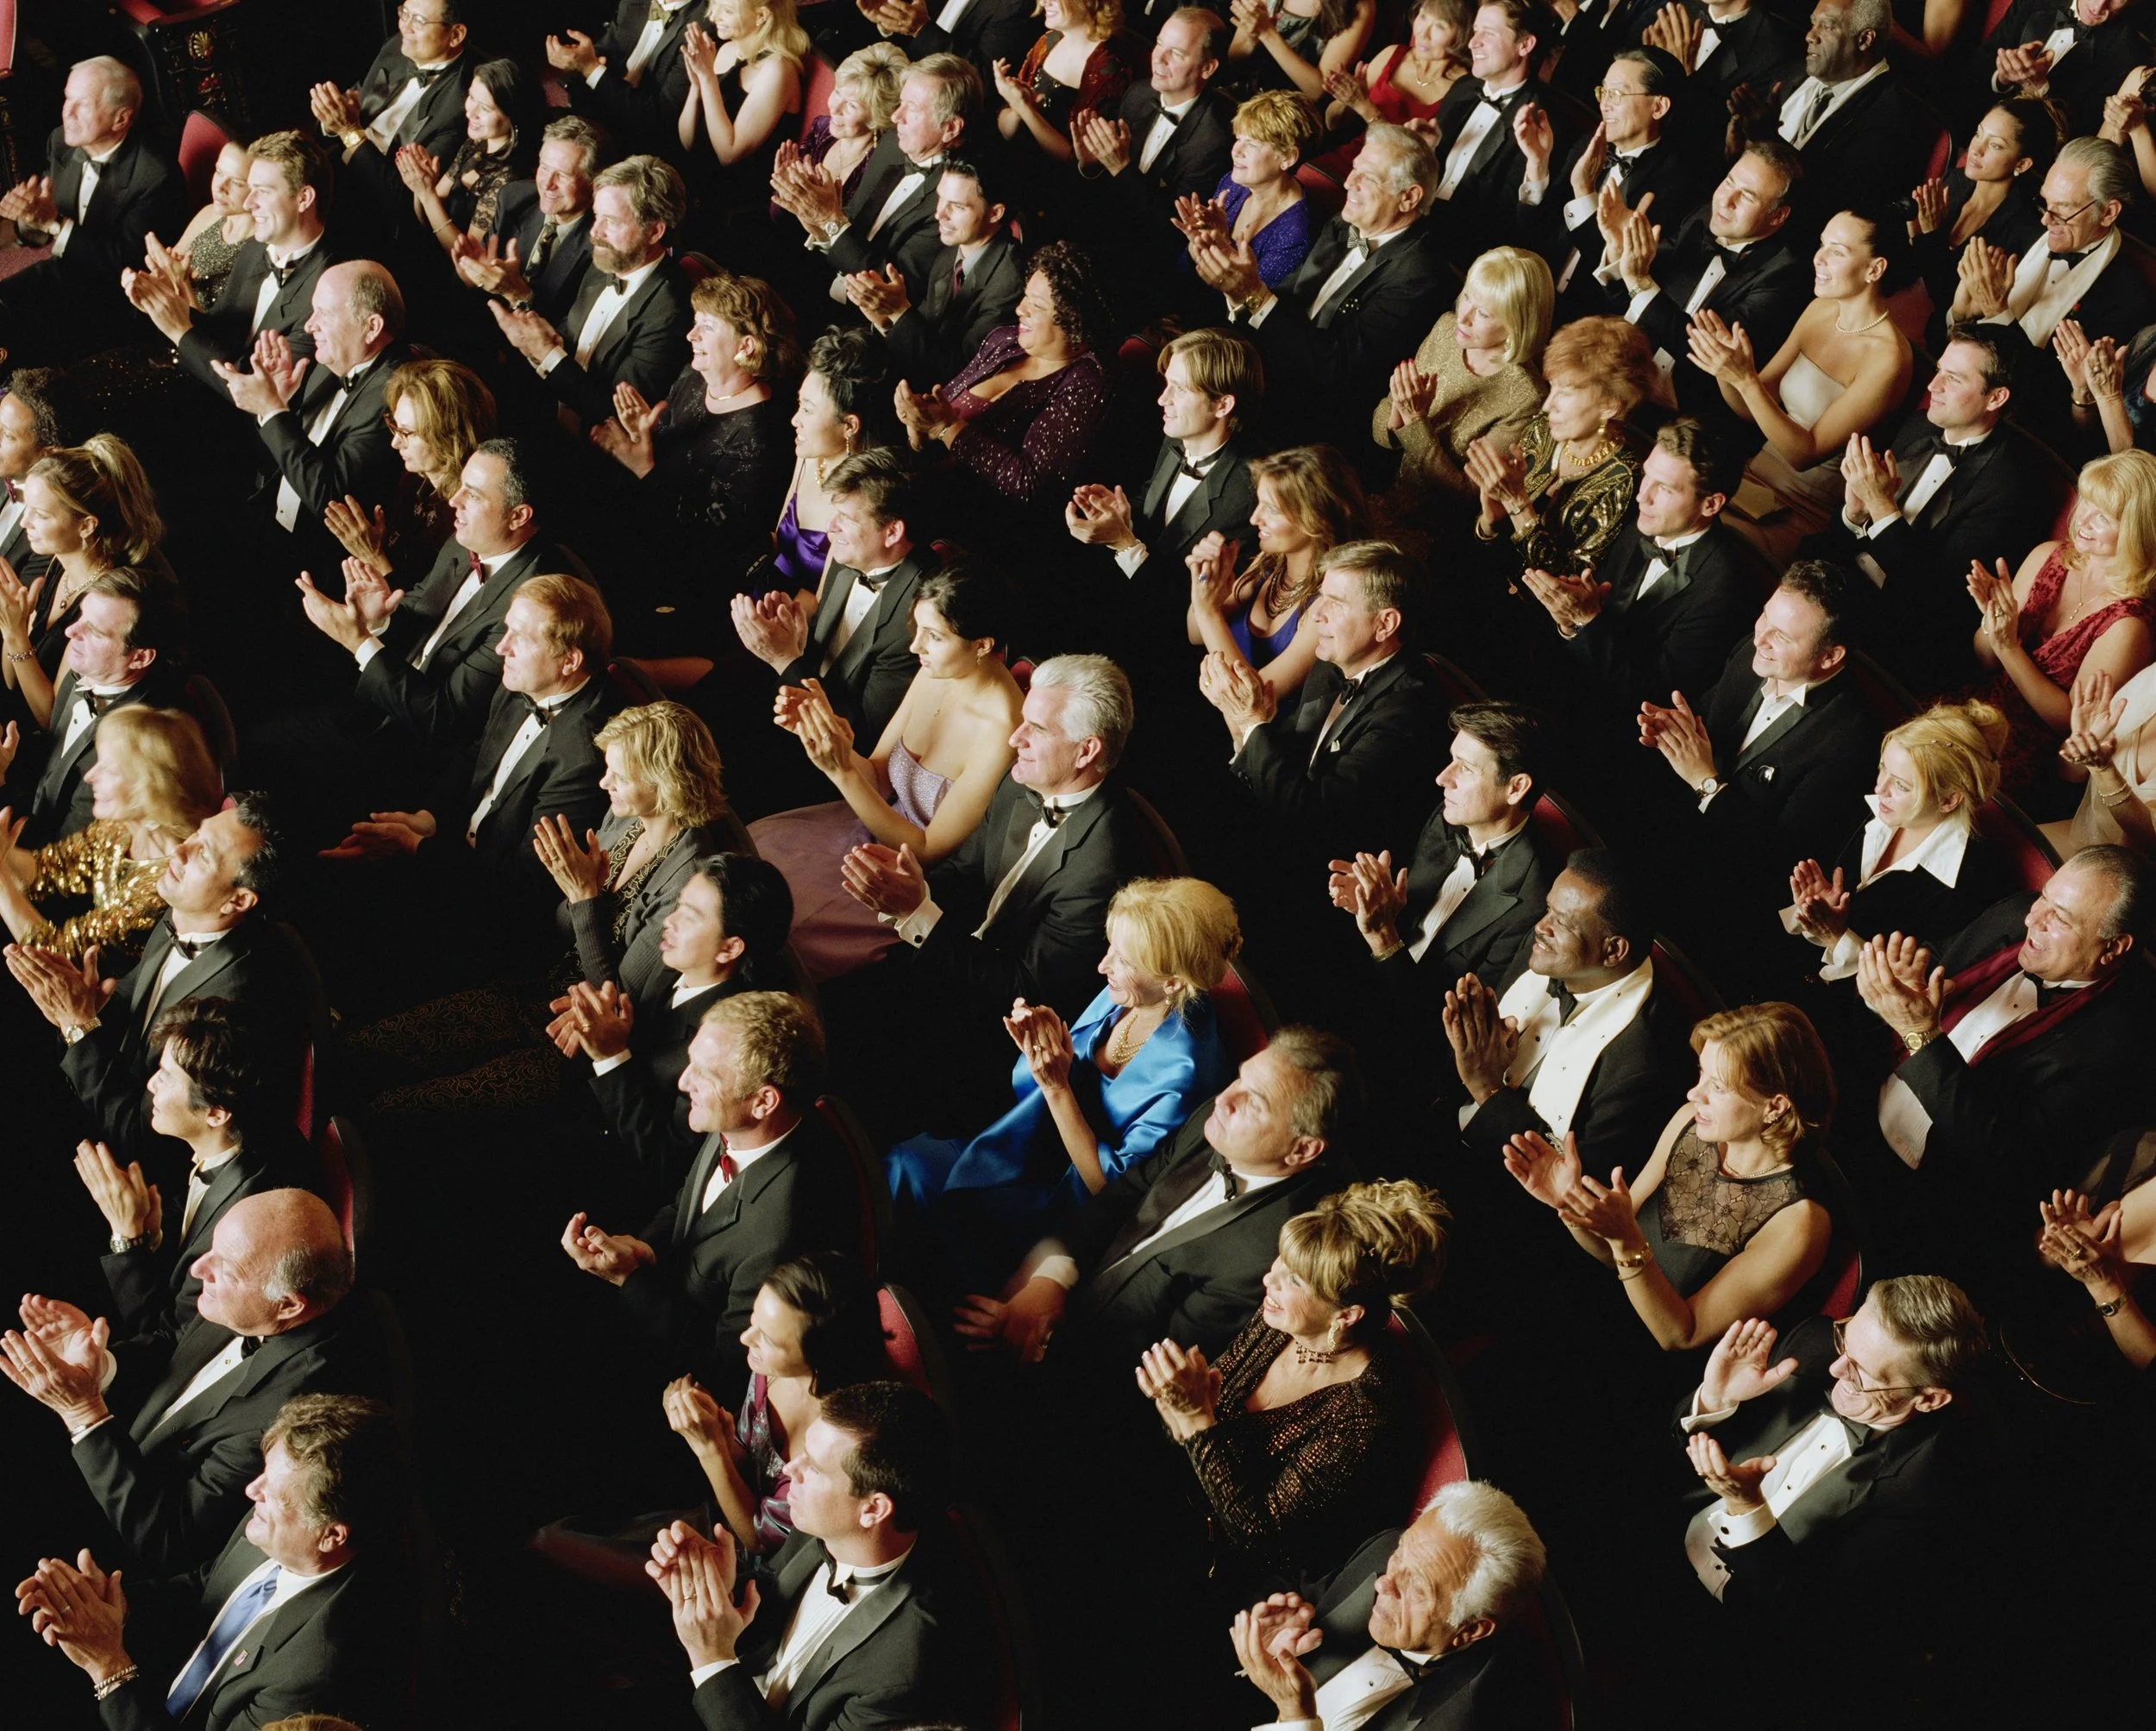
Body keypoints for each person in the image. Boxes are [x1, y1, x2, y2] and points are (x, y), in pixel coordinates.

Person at [348, 699, 731, 1119]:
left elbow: (611, 1008)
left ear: (664, 783)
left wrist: (585, 899)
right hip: (529, 992)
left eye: (619, 776)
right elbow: (563, 926)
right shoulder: (627, 819)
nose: (604, 784)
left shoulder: (690, 881)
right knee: (365, 1051)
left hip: (569, 1046)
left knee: (397, 1109)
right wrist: (580, 898)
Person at [887, 876, 1242, 1280]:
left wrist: (1056, 1086)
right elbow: (1046, 1084)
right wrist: (1043, 1041)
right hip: (1031, 1147)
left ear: (1174, 981)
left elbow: (1106, 1190)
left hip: (1062, 1211)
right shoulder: (1135, 994)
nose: (1103, 965)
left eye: (1123, 960)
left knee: (921, 1190)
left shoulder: (1186, 1074)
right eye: (1111, 948)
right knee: (906, 1162)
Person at [0, 1188, 366, 1573]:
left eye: (225, 1268)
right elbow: (171, 1345)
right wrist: (99, 1365)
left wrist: (83, 1412)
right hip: (111, 1446)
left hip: (110, 1540)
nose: (198, 1269)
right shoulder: (254, 1297)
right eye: (212, 1248)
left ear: (289, 1304)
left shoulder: (289, 1415)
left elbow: (168, 1537)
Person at [964, 1027, 1362, 1369]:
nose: (1226, 1098)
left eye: (1253, 1103)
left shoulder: (1271, 1255)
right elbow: (1122, 1197)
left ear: (1302, 1150)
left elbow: (1149, 1360)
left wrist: (1037, 1339)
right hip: (1064, 1287)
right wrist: (1050, 1278)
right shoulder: (1216, 1123)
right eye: (1241, 1079)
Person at [16, 1393, 411, 1731]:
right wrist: (115, 1606)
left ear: (331, 1535)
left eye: (272, 1493)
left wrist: (109, 1668)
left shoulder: (317, 1672)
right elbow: (207, 1587)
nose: (252, 1490)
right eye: (263, 1475)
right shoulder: (279, 1526)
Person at [1138, 1178, 1447, 1587]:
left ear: (1346, 1316)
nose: (1270, 1280)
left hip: (1222, 1573)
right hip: (1171, 1498)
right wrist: (1179, 1408)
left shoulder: (1365, 1415)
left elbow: (1259, 1538)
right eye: (1281, 1262)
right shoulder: (1284, 1324)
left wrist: (1195, 1418)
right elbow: (1190, 1435)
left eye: (1295, 1280)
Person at [1677, 1285, 1991, 1686]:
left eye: (1864, 1373)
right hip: (1668, 1529)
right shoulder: (1812, 1344)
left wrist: (1748, 1509)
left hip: (1736, 1640)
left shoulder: (1929, 1493)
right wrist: (1713, 1402)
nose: (1836, 1369)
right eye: (1846, 1339)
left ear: (1928, 1400)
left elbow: (1811, 1625)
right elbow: (1669, 1451)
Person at [321, 574, 624, 979]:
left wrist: (415, 849)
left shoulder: (585, 757)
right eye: (506, 630)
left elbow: (517, 887)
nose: (502, 647)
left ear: (569, 660)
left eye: (521, 637)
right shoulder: (529, 679)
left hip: (487, 916)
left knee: (352, 923)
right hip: (455, 851)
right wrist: (428, 818)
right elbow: (474, 757)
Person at [1858, 848, 2156, 1259]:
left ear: (2114, 946)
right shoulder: (2015, 914)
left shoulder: (2124, 1046)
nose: (2034, 919)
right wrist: (1901, 983)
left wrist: (1920, 1035)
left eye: (2061, 919)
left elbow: (2006, 1160)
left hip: (1926, 1196)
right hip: (1863, 1097)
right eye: (2044, 898)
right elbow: (1937, 958)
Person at [645, 1381, 988, 1728]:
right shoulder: (825, 1524)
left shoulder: (904, 1669)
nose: (789, 1470)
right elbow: (770, 1608)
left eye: (816, 1469)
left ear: (873, 1509)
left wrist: (712, 1657)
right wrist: (719, 1590)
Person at [561, 990, 859, 1390]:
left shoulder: (779, 1235)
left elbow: (721, 1363)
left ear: (763, 1101)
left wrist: (630, 1281)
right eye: (692, 1062)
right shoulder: (741, 1123)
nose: (684, 1082)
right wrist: (646, 1248)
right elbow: (687, 1203)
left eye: (706, 1074)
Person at [843, 653, 1156, 1027]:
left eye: (1036, 729)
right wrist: (909, 888)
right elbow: (967, 871)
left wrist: (916, 912)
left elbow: (1025, 988)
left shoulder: (1103, 867)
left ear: (1086, 751)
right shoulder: (1023, 778)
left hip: (999, 1020)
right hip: (952, 958)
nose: (1014, 738)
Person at [1505, 1002, 1837, 1351]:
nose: (1695, 1094)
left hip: (1647, 1363)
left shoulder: (1800, 1223)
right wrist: (1570, 1202)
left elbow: (1680, 1334)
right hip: (1597, 1314)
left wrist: (1626, 1241)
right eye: (1701, 1073)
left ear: (1775, 1106)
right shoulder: (1689, 1122)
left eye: (1719, 1087)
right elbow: (1611, 1253)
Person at [6, 795, 314, 1166]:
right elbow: (131, 1000)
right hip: (102, 1085)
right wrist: (86, 1005)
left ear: (238, 901)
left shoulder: (231, 1005)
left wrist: (78, 1025)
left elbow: (141, 1140)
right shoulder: (185, 912)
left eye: (204, 855)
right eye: (197, 834)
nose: (180, 850)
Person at [752, 564, 1024, 979]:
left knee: (778, 926)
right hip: (861, 826)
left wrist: (842, 772)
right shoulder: (934, 670)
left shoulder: (1003, 729)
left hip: (902, 876)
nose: (916, 645)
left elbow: (926, 850)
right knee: (753, 851)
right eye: (916, 628)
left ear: (982, 645)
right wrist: (829, 737)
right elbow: (879, 776)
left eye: (934, 636)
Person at [1638, 561, 1882, 935]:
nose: (1760, 638)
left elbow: (1779, 860)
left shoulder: (1851, 741)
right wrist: (1673, 730)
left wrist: (1706, 783)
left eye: (1781, 636)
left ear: (1830, 657)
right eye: (1764, 617)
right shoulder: (1752, 655)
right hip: (1673, 831)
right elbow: (1706, 720)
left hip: (1726, 896)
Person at [1807, 324, 2041, 696]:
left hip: (1902, 632)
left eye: (1954, 378)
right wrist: (1853, 514)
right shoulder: (1918, 426)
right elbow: (1845, 540)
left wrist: (1882, 507)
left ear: (1995, 398)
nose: (1932, 387)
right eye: (1939, 371)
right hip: (1843, 583)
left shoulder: (2009, 487)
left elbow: (1931, 597)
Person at [1194, 123, 1451, 451]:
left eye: (1367, 178)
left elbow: (1339, 368)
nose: (1348, 183)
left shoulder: (1418, 275)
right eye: (1354, 169)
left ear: (1409, 197)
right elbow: (1288, 297)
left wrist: (1254, 295)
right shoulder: (1345, 221)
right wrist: (1235, 282)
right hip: (1273, 370)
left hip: (1317, 418)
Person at [78, 996, 317, 1341]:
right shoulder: (242, 1143)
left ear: (216, 1114)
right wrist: (154, 1237)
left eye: (166, 1077)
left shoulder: (243, 1219)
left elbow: (169, 1335)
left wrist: (126, 1237)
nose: (150, 1085)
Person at [1228, 1482, 1551, 1730]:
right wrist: (1265, 1647)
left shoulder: (1477, 1715)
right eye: (1400, 1556)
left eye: (1417, 1588)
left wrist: (1295, 1718)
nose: (1383, 1583)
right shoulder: (1386, 1551)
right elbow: (1301, 1590)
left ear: (1471, 1630)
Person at [1213, 540, 1448, 878]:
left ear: (1385, 624)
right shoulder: (1332, 661)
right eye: (1320, 596)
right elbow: (1288, 752)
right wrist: (1244, 727)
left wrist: (1250, 722)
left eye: (1335, 604)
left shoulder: (1408, 711)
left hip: (1330, 875)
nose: (1316, 614)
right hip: (1280, 832)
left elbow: (1315, 818)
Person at [1448, 848, 1684, 1181]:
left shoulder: (1641, 1063)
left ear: (1613, 950)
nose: (1540, 928)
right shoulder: (1548, 950)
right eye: (1548, 910)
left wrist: (1488, 1088)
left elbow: (1573, 1185)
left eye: (1563, 923)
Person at [573, 851, 799, 1192]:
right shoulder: (676, 962)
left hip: (606, 1165)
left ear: (729, 949)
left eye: (690, 916)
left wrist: (611, 1058)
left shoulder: (725, 1044)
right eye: (678, 905)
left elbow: (663, 1162)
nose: (670, 921)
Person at [728, 448, 932, 817]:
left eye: (844, 518)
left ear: (893, 531)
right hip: (801, 718)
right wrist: (799, 641)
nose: (830, 529)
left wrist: (785, 659)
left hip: (840, 773)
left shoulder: (920, 615)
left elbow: (863, 736)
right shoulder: (849, 556)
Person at [1330, 700, 1561, 1022]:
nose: (1442, 778)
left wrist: (1383, 933)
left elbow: (1444, 1025)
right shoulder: (1448, 817)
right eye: (1452, 760)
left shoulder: (1535, 902)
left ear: (1516, 787)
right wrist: (1372, 900)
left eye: (1465, 768)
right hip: (1360, 986)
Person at [1690, 205, 1914, 531]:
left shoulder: (1888, 357)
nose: (1819, 259)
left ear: (1875, 269)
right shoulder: (1820, 309)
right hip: (1750, 479)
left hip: (1800, 507)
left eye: (1836, 252)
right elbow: (1751, 408)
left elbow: (1804, 455)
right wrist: (1726, 370)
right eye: (1822, 244)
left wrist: (1745, 379)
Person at [594, 269, 799, 622]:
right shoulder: (694, 377)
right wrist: (645, 435)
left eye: (707, 327)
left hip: (686, 585)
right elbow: (671, 461)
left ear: (745, 346)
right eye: (695, 323)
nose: (691, 335)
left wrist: (643, 467)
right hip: (642, 539)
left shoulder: (759, 437)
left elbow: (707, 541)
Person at [662, 1252, 891, 1558]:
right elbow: (746, 1451)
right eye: (753, 1321)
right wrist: (711, 1425)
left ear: (822, 1356)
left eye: (768, 1340)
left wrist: (710, 1450)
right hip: (717, 1508)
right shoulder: (770, 1371)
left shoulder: (839, 1441)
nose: (746, 1338)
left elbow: (760, 1541)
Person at [1532, 416, 1757, 722]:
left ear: (1711, 504)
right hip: (1575, 682)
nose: (1642, 495)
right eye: (1646, 476)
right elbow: (1600, 625)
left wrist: (1586, 619)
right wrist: (1569, 625)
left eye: (1664, 489)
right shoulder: (1643, 526)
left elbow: (1655, 694)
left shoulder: (1723, 590)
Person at [1965, 450, 2156, 808]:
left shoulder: (2129, 625)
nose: (2084, 519)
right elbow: (1985, 661)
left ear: (2136, 530)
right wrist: (1993, 625)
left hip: (2033, 753)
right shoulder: (2049, 555)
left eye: (2103, 516)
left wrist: (2010, 648)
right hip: (1981, 707)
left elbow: (2069, 723)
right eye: (2085, 502)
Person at [1783, 700, 2015, 982]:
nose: (1880, 788)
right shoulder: (1865, 807)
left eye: (1902, 785)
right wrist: (1811, 912)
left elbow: (1904, 995)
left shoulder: (1970, 885)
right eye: (1883, 769)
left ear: (1949, 800)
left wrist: (1836, 937)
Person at [1066, 326, 1264, 648]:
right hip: (1128, 602)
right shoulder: (1178, 434)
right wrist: (1122, 516)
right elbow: (1155, 503)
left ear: (1222, 405)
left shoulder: (1248, 493)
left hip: (1167, 642)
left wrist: (1123, 542)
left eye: (1180, 390)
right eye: (1166, 384)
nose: (1162, 399)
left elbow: (1182, 607)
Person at [1595, 139, 1810, 436]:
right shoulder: (1703, 217)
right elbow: (1630, 299)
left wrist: (1640, 281)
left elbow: (1704, 352)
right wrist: (1620, 251)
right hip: (1616, 378)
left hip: (1676, 420)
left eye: (1747, 197)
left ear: (1777, 215)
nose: (1726, 200)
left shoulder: (1784, 276)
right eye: (1728, 182)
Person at [1948, 136, 2152, 441]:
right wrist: (1961, 313)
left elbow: (2049, 399)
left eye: (2063, 210)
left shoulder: (2127, 300)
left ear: (2108, 213)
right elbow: (1946, 325)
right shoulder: (2026, 228)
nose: (2046, 219)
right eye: (2046, 202)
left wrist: (1997, 313)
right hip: (1957, 386)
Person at [894, 239, 1115, 516]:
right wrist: (918, 430)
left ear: (1075, 319)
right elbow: (938, 438)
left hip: (980, 522)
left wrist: (946, 427)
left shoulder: (1088, 383)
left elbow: (1030, 486)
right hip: (927, 488)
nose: (1020, 309)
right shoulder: (1005, 341)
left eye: (1036, 305)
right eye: (1025, 297)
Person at [235, 261, 412, 588]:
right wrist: (279, 405)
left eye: (324, 314)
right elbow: (284, 457)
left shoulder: (394, 390)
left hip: (324, 570)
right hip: (272, 534)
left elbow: (330, 496)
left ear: (371, 327)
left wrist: (274, 410)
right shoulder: (331, 361)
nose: (310, 325)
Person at [0, 57, 186, 366]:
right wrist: (30, 219)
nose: (67, 112)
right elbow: (43, 230)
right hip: (68, 270)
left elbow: (125, 265)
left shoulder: (156, 177)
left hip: (119, 303)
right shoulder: (61, 142)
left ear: (120, 119)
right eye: (67, 98)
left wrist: (54, 223)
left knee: (22, 341)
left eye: (82, 104)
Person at [0, 705, 220, 964]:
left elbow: (60, 957)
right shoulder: (119, 828)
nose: (90, 776)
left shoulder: (170, 883)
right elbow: (46, 870)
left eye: (109, 769)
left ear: (152, 785)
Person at [492, 155, 694, 436]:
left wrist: (545, 352)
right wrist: (529, 331)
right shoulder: (604, 262)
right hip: (546, 417)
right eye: (597, 216)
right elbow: (566, 340)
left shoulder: (671, 310)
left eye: (611, 221)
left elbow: (615, 414)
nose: (595, 233)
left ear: (655, 231)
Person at [126, 131, 336, 398]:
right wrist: (167, 298)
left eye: (262, 191)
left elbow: (254, 390)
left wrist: (180, 329)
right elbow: (220, 332)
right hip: (203, 386)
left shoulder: (327, 291)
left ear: (304, 198)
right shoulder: (256, 248)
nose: (249, 203)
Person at [772, 53, 984, 305]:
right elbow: (854, 225)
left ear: (951, 128)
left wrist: (828, 219)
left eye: (912, 109)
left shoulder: (956, 197)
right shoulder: (893, 143)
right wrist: (814, 218)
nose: (896, 117)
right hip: (827, 279)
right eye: (900, 103)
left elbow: (893, 285)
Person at [1466, 315, 1658, 585]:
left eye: (1565, 393)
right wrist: (1490, 522)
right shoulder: (1544, 430)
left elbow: (1568, 586)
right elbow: (1483, 546)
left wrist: (1518, 504)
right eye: (1551, 387)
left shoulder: (1625, 480)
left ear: (1610, 405)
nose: (1547, 406)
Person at [1515, 47, 1708, 315]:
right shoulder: (1587, 144)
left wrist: (1584, 192)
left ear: (1659, 106)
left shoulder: (1677, 184)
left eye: (1617, 94)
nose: (1605, 104)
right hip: (1533, 292)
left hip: (1588, 318)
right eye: (1603, 92)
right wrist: (1538, 165)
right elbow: (1534, 231)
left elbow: (1618, 278)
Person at [12, 565, 188, 854]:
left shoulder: (136, 748)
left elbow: (65, 856)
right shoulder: (87, 673)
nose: (70, 631)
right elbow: (50, 768)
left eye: (93, 631)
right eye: (81, 616)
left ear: (140, 657)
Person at [1370, 244, 1551, 525]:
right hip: (1382, 492)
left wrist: (1416, 421)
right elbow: (1380, 431)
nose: (1464, 317)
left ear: (1519, 324)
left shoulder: (1527, 396)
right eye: (1467, 296)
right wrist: (1399, 411)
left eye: (1484, 313)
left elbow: (1464, 494)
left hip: (1433, 528)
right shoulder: (1446, 329)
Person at [0, 436, 166, 736]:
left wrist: (15, 636)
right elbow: (11, 682)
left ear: (86, 526)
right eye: (28, 508)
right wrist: (14, 627)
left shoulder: (105, 603)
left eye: (42, 514)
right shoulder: (57, 564)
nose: (25, 523)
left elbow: (52, 719)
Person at [1187, 444, 1369, 705]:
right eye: (1259, 503)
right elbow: (1194, 634)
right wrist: (1205, 582)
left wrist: (1208, 611)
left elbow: (1251, 701)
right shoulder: (1269, 561)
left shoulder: (1330, 603)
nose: (1254, 519)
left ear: (1316, 520)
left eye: (1271, 510)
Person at [1077, 7, 1237, 291]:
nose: (1158, 58)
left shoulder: (1213, 140)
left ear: (1208, 68)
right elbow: (1109, 196)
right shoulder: (1139, 93)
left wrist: (1120, 168)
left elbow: (1170, 231)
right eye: (1160, 44)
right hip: (1104, 234)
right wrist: (1093, 167)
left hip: (1147, 268)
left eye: (1176, 53)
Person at [845, 157, 1025, 389]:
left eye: (957, 206)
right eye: (940, 198)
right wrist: (885, 321)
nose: (939, 214)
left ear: (995, 213)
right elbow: (926, 335)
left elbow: (961, 372)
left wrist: (899, 311)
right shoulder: (951, 250)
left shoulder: (1011, 282)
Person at [1764, 0, 1928, 241]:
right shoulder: (1793, 74)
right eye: (1813, 23)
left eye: (1827, 26)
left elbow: (1828, 205)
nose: (1811, 35)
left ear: (1864, 40)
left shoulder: (1890, 118)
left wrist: (1766, 140)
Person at [760, 329, 902, 603]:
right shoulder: (810, 454)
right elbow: (778, 542)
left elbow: (823, 610)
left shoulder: (862, 499)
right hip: (765, 596)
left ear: (849, 425)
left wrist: (761, 573)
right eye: (799, 404)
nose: (795, 420)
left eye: (809, 410)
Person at [312, 0, 473, 239]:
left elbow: (404, 198)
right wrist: (330, 119)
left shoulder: (464, 100)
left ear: (455, 34)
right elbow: (344, 114)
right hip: (337, 169)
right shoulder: (396, 47)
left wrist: (350, 131)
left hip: (377, 210)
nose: (405, 27)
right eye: (404, 13)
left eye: (418, 20)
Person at [1904, 99, 2053, 353]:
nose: (1976, 149)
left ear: (2021, 164)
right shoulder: (1956, 180)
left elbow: (1951, 302)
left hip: (1941, 334)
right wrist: (1912, 231)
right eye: (1978, 134)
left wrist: (1931, 235)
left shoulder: (2024, 232)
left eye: (1995, 145)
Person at [342, 355, 498, 580]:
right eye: (394, 427)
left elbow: (424, 606)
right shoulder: (413, 476)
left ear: (448, 436)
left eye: (407, 433)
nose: (394, 443)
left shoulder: (467, 515)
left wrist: (375, 556)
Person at [1426, 1, 1564, 256]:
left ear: (1525, 45)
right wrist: (1424, 149)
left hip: (1463, 249)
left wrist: (1538, 166)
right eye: (1476, 30)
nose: (1472, 42)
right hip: (1417, 220)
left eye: (1487, 33)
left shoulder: (1543, 120)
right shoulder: (1464, 87)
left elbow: (1523, 226)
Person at [454, 112, 603, 327]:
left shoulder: (602, 243)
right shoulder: (514, 198)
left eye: (563, 175)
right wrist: (470, 277)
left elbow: (571, 335)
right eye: (544, 168)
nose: (547, 183)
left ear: (593, 183)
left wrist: (519, 295)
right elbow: (471, 301)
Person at [1179, 88, 1320, 298]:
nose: (1236, 151)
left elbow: (1247, 303)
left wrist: (1220, 248)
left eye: (1252, 144)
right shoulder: (1233, 183)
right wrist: (1197, 247)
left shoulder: (1297, 231)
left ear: (1288, 158)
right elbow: (1183, 276)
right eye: (1238, 139)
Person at [396, 55, 542, 255]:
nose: (470, 112)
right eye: (471, 97)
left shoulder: (511, 178)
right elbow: (427, 217)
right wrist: (420, 187)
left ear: (513, 115)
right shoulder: (476, 144)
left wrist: (427, 194)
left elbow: (467, 256)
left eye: (484, 108)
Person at [677, 0, 810, 198]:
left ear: (761, 16)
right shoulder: (726, 51)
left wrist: (708, 80)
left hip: (736, 196)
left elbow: (729, 156)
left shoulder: (778, 69)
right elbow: (688, 142)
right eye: (714, 5)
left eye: (728, 10)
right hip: (699, 179)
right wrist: (697, 87)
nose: (712, 17)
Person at [551, 0, 710, 164]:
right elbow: (607, 51)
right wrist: (574, 59)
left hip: (642, 143)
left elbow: (660, 116)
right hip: (597, 112)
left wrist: (590, 68)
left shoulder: (706, 23)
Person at [993, 0, 1144, 166]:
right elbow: (1006, 131)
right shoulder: (1049, 40)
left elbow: (1076, 160)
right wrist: (1016, 109)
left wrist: (1023, 108)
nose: (1043, 3)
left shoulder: (1109, 67)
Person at [1318, 0, 1470, 155]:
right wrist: (1349, 101)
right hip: (1352, 156)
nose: (1423, 33)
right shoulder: (1394, 54)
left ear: (1463, 34)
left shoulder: (1464, 89)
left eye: (1440, 26)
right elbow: (1332, 123)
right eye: (1423, 17)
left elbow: (1412, 159)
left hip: (1390, 175)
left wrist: (1364, 106)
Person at [1982, 0, 2145, 138]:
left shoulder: (2128, 55)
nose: (2098, 8)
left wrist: (2041, 89)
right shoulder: (2032, 2)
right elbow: (1978, 68)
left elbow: (2080, 138)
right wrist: (2002, 78)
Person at [151, 133, 257, 315]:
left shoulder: (261, 245)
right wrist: (148, 281)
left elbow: (214, 335)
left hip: (195, 336)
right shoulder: (210, 213)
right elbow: (166, 276)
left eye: (236, 183)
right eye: (219, 172)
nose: (219, 187)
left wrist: (182, 283)